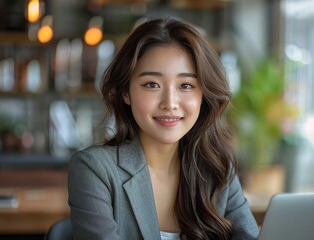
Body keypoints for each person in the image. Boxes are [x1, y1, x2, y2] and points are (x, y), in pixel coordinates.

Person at [68, 17, 259, 240]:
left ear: (203, 95)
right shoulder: (95, 170)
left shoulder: (218, 170)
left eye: (186, 85)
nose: (170, 102)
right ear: (125, 93)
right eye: (152, 84)